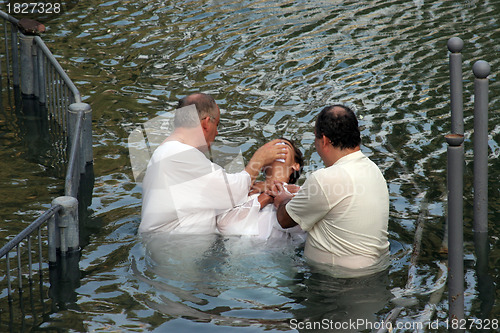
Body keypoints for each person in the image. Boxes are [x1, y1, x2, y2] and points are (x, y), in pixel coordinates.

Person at [139, 93, 288, 234]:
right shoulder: (179, 155)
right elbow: (233, 193)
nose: (216, 133)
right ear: (206, 123)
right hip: (172, 250)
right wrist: (258, 160)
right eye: (217, 124)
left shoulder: (165, 152)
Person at [272, 105, 390, 274]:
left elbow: (284, 219)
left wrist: (283, 197)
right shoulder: (373, 170)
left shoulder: (325, 179)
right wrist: (303, 194)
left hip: (336, 281)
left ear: (324, 140)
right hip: (376, 269)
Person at [217, 138, 305, 241]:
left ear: (296, 166)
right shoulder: (246, 193)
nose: (278, 146)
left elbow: (303, 229)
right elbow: (224, 226)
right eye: (272, 146)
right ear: (263, 166)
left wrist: (277, 189)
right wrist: (265, 197)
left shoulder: (300, 195)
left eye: (285, 145)